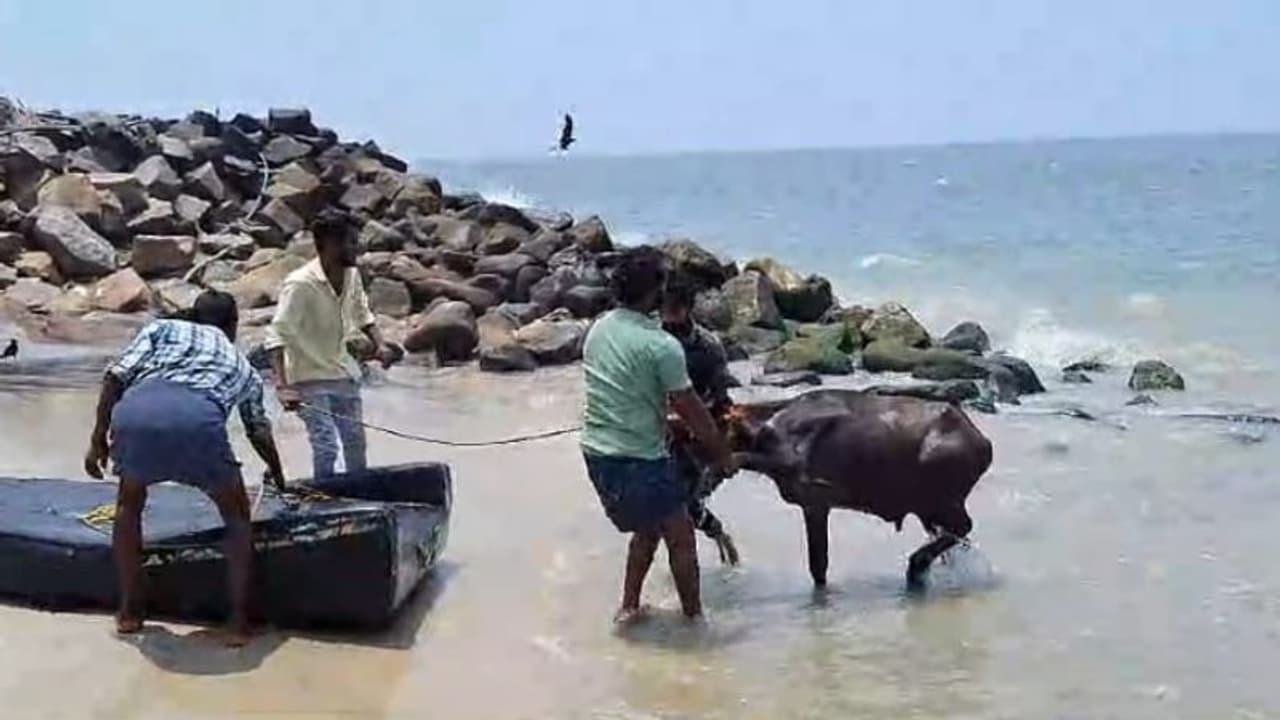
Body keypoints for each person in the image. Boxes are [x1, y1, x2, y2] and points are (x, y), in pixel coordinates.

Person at [83, 290, 285, 646]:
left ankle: (130, 610)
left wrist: (98, 439)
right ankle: (238, 620)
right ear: (232, 325)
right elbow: (258, 431)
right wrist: (278, 472)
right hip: (197, 419)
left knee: (129, 505)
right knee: (237, 518)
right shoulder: (244, 366)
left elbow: (114, 377)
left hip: (136, 411)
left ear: (193, 315)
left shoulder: (162, 329)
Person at [580, 246, 736, 624]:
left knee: (649, 529)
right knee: (680, 536)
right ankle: (695, 622)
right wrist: (722, 455)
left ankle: (629, 608)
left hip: (596, 452)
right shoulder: (662, 346)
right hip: (638, 457)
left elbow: (620, 388)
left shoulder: (600, 328)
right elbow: (693, 410)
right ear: (655, 293)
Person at [265, 209, 396, 478]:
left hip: (342, 372)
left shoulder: (352, 275)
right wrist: (282, 387)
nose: (357, 248)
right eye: (350, 242)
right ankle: (324, 503)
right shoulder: (300, 284)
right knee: (326, 446)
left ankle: (358, 496)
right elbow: (277, 335)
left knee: (356, 443)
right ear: (329, 244)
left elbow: (363, 314)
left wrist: (380, 344)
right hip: (307, 377)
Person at [660, 272, 740, 566]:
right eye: (663, 307)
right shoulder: (651, 338)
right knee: (669, 515)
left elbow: (720, 400)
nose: (667, 314)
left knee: (680, 509)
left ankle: (716, 537)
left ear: (687, 308)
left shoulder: (708, 346)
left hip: (697, 436)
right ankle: (716, 536)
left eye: (673, 307)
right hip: (656, 432)